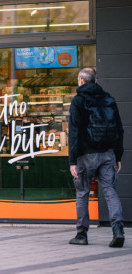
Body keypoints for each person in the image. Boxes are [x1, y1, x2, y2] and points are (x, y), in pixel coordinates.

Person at [68, 68, 125, 247]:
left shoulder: (78, 101)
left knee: (83, 192)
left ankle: (82, 234)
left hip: (86, 155)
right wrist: (118, 155)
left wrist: (72, 160)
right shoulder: (109, 99)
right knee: (110, 191)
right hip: (108, 153)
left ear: (81, 81)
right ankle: (118, 230)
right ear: (96, 81)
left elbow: (74, 132)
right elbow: (119, 129)